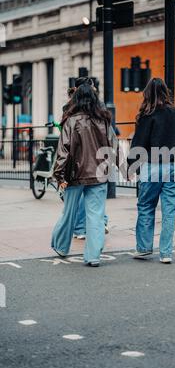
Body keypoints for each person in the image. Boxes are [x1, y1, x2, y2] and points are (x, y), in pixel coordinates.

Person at [128, 77, 175, 264]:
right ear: (166, 92)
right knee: (169, 211)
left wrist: (131, 166)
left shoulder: (146, 114)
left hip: (152, 167)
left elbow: (138, 143)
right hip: (174, 167)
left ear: (147, 93)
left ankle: (144, 248)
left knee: (146, 207)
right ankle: (166, 253)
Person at [51, 78, 111, 267]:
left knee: (69, 213)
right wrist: (123, 167)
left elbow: (63, 151)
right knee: (96, 216)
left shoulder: (70, 120)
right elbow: (113, 145)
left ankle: (61, 247)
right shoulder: (104, 119)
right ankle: (93, 256)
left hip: (74, 175)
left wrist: (59, 175)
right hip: (99, 174)